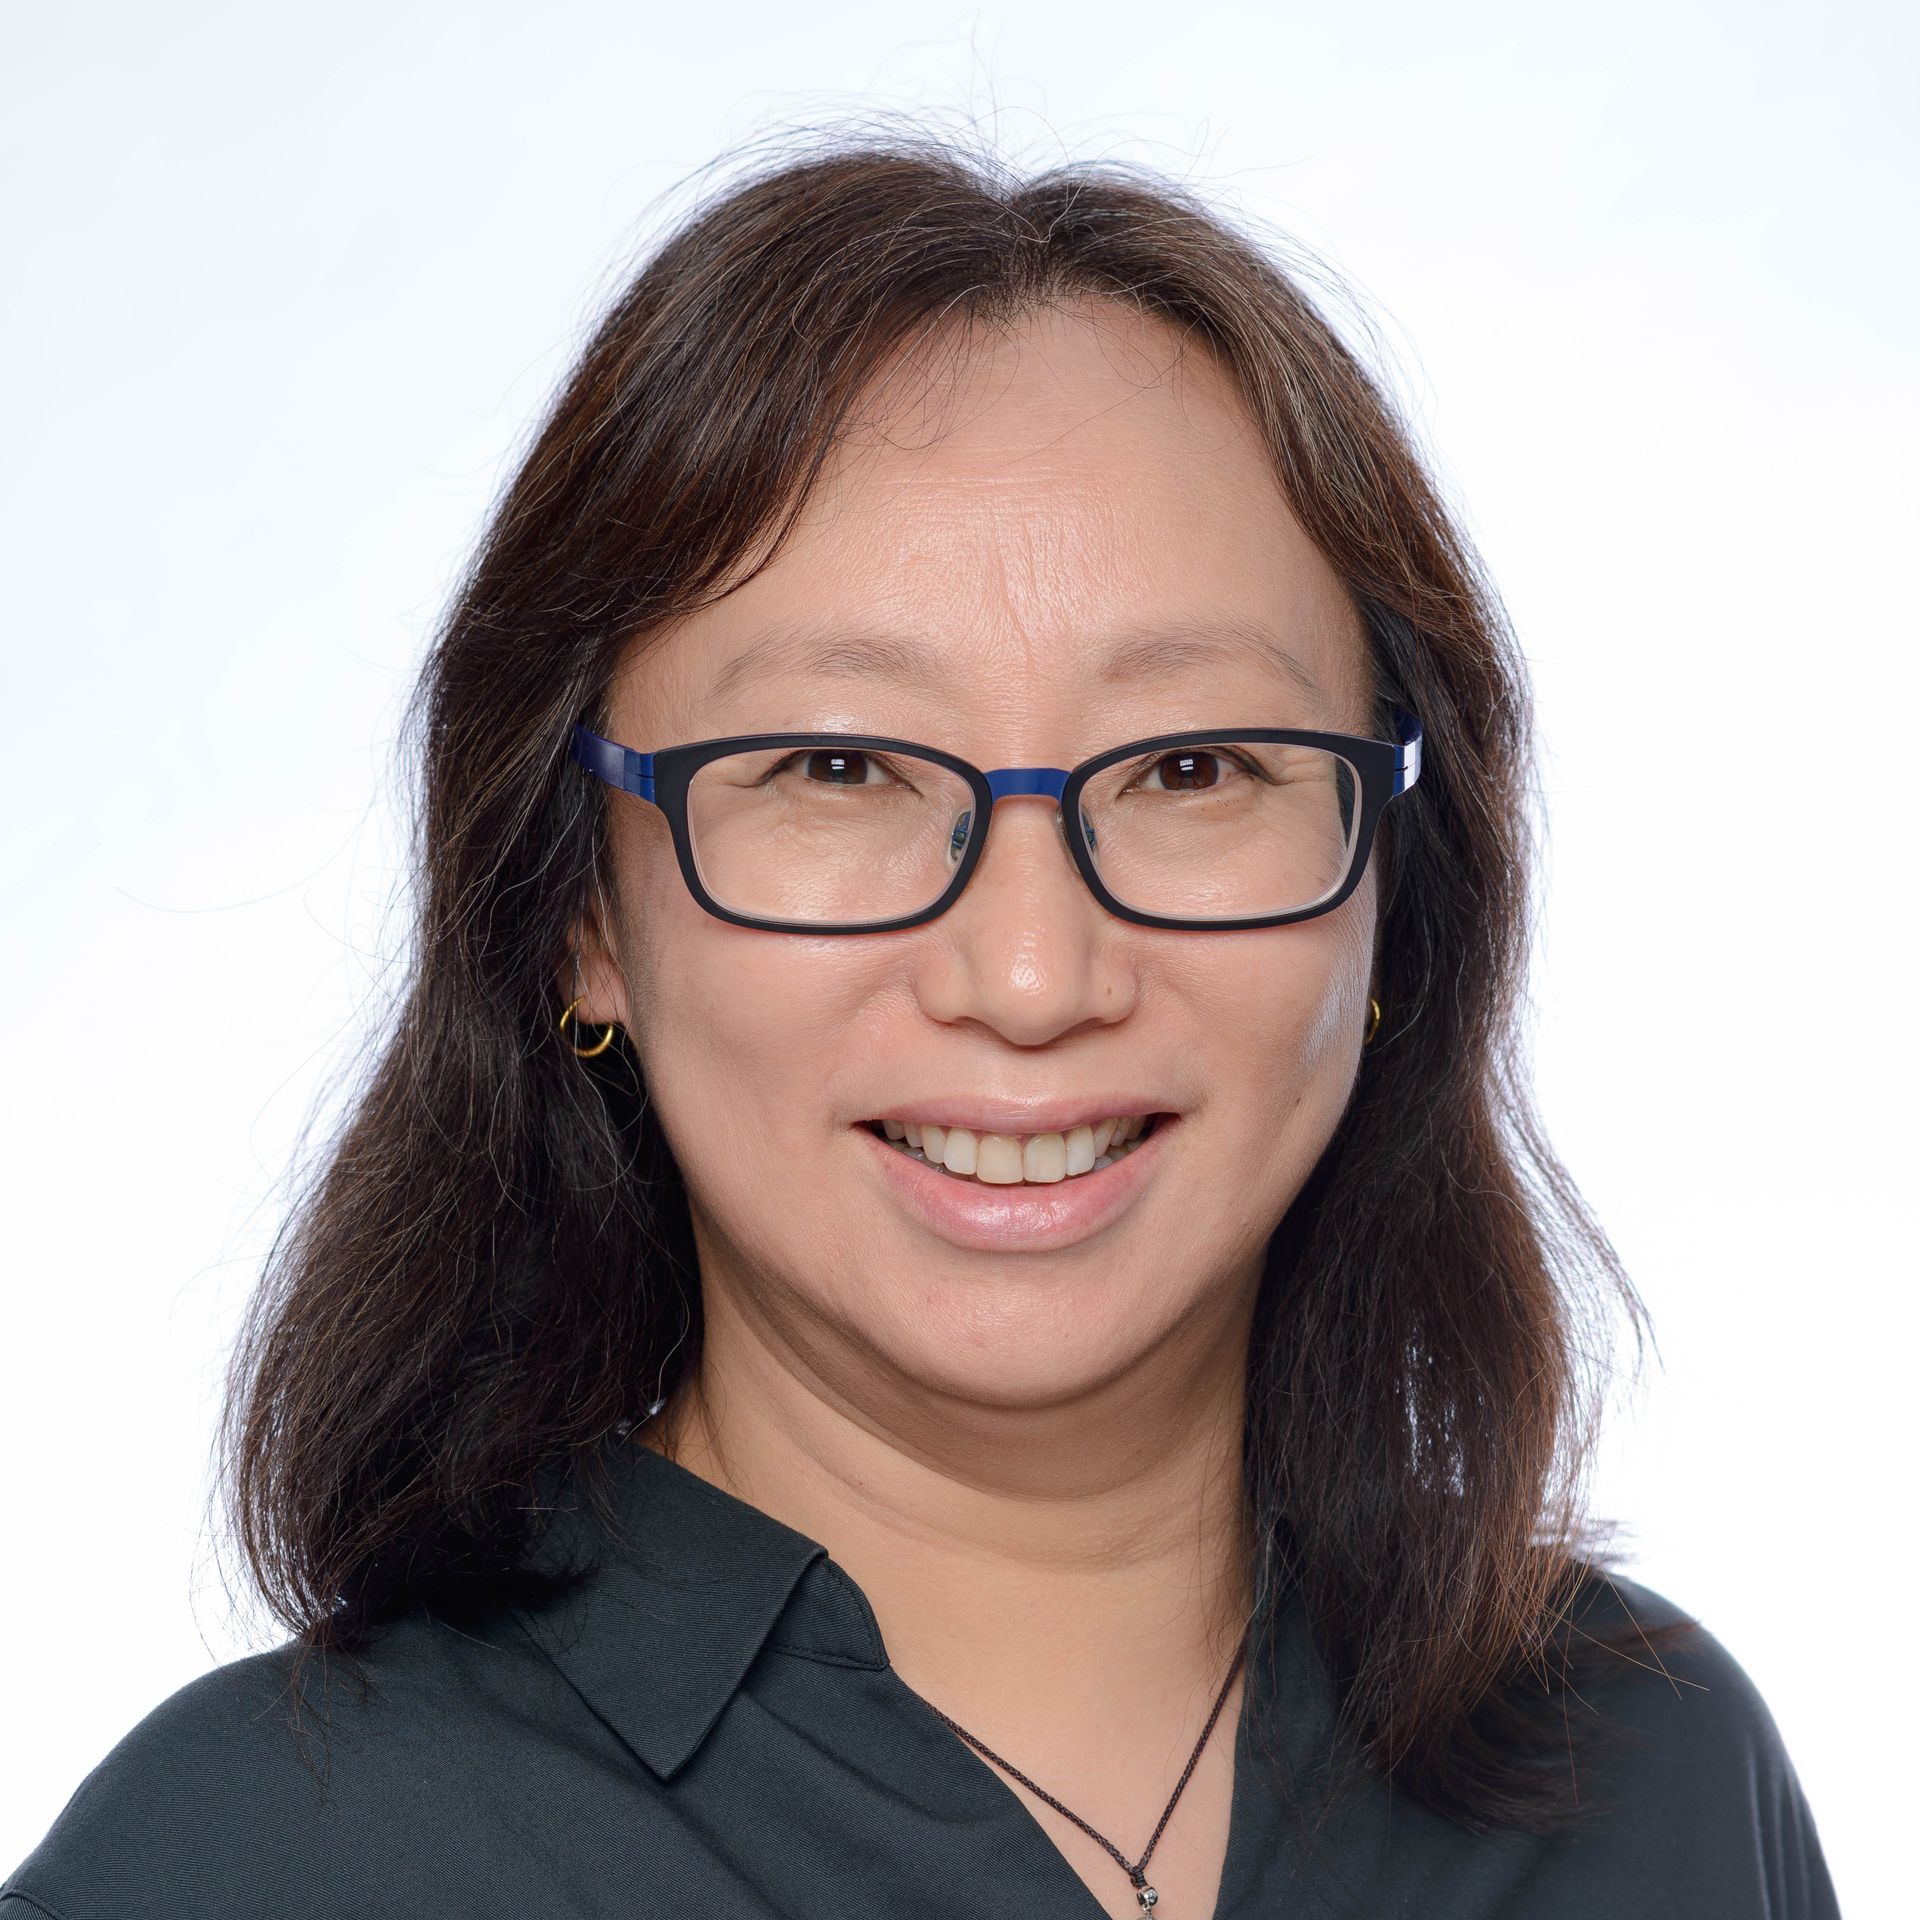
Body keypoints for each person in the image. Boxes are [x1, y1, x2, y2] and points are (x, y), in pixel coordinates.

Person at [3, 125, 1841, 1919]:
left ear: (1395, 898)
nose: (1032, 977)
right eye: (835, 765)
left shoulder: (1653, 1779)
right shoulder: (262, 1863)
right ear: (580, 915)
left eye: (1197, 765)